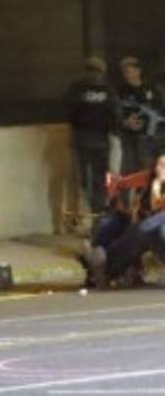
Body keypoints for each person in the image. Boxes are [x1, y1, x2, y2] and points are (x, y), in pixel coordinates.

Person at [86, 151, 165, 287]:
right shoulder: (150, 176)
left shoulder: (157, 182)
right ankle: (98, 262)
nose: (159, 168)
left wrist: (157, 184)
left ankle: (108, 268)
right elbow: (122, 183)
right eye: (158, 164)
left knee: (145, 229)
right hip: (144, 223)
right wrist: (114, 187)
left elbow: (157, 205)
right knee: (115, 221)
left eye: (163, 165)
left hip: (157, 226)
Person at [65, 56, 120, 224]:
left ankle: (94, 215)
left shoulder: (77, 88)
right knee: (97, 180)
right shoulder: (108, 89)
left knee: (86, 180)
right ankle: (98, 214)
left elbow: (69, 112)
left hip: (84, 138)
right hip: (99, 139)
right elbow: (115, 113)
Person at [117, 56, 164, 174]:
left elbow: (159, 109)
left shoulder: (151, 88)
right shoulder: (121, 91)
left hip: (154, 136)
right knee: (140, 170)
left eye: (129, 71)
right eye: (124, 72)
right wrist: (126, 122)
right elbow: (115, 113)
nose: (126, 75)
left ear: (138, 71)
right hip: (131, 138)